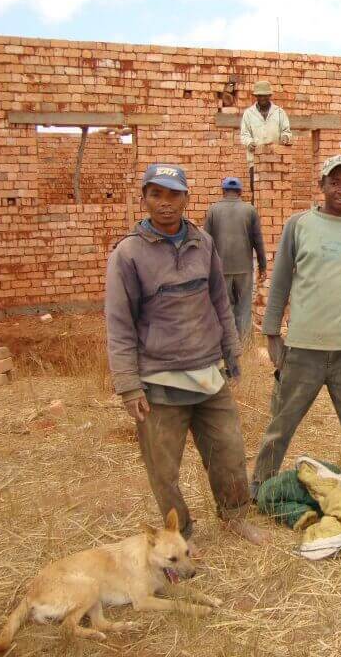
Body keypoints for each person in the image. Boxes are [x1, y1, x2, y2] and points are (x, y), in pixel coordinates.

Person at [105, 163, 268, 547]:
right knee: (164, 469)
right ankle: (181, 535)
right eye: (156, 194)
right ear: (144, 199)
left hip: (208, 373)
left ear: (186, 199)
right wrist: (129, 386)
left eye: (173, 194)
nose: (165, 203)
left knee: (229, 452)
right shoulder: (128, 254)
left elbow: (220, 303)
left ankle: (234, 516)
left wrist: (231, 353)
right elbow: (119, 324)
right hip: (159, 381)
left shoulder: (202, 243)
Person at [252, 155, 341, 512]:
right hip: (303, 349)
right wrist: (272, 333)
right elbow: (281, 280)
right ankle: (259, 485)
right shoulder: (299, 225)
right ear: (322, 186)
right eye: (334, 182)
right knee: (282, 422)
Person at [203, 176, 267, 340]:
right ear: (240, 192)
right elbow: (258, 240)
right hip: (244, 269)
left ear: (223, 191)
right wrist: (262, 266)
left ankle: (227, 342)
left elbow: (206, 242)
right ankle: (245, 344)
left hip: (220, 268)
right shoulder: (250, 210)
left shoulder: (213, 210)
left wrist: (206, 267)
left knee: (224, 306)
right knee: (244, 306)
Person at [239, 80, 293, 183]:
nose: (262, 98)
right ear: (256, 96)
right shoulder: (249, 113)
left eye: (265, 95)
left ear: (269, 95)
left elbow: (286, 131)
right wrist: (249, 142)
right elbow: (244, 134)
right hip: (255, 160)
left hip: (276, 160)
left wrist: (285, 137)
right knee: (256, 189)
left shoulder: (279, 112)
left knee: (276, 189)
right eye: (260, 96)